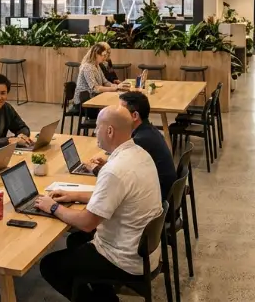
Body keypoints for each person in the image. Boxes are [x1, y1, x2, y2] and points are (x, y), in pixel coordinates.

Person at [36, 105, 163, 302]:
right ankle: (107, 298)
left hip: (124, 259)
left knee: (50, 265)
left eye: (97, 127)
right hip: (145, 252)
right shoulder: (139, 153)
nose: (95, 131)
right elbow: (115, 196)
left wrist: (52, 207)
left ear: (109, 131)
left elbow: (87, 222)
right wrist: (73, 195)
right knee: (75, 240)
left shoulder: (114, 170)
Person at [89, 92, 176, 202]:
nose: (118, 113)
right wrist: (106, 165)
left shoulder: (140, 141)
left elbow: (119, 176)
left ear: (134, 116)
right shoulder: (148, 130)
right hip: (161, 192)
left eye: (122, 110)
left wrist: (100, 170)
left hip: (158, 197)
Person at [75, 43, 125, 107]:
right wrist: (112, 89)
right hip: (84, 102)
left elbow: (105, 81)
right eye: (103, 55)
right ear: (96, 55)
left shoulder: (97, 65)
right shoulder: (87, 67)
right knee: (111, 108)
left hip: (94, 97)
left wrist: (112, 85)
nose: (104, 58)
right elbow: (95, 88)